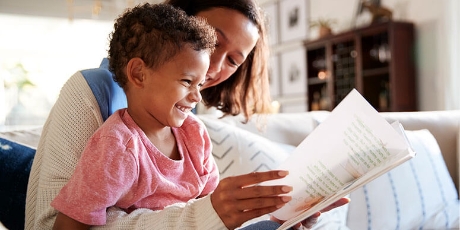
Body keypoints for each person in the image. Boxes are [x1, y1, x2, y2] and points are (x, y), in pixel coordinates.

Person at [25, 0, 349, 229]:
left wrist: (286, 213)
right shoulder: (107, 123)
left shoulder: (186, 124)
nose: (214, 68)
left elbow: (210, 208)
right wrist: (205, 217)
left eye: (234, 60)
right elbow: (59, 223)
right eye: (212, 41)